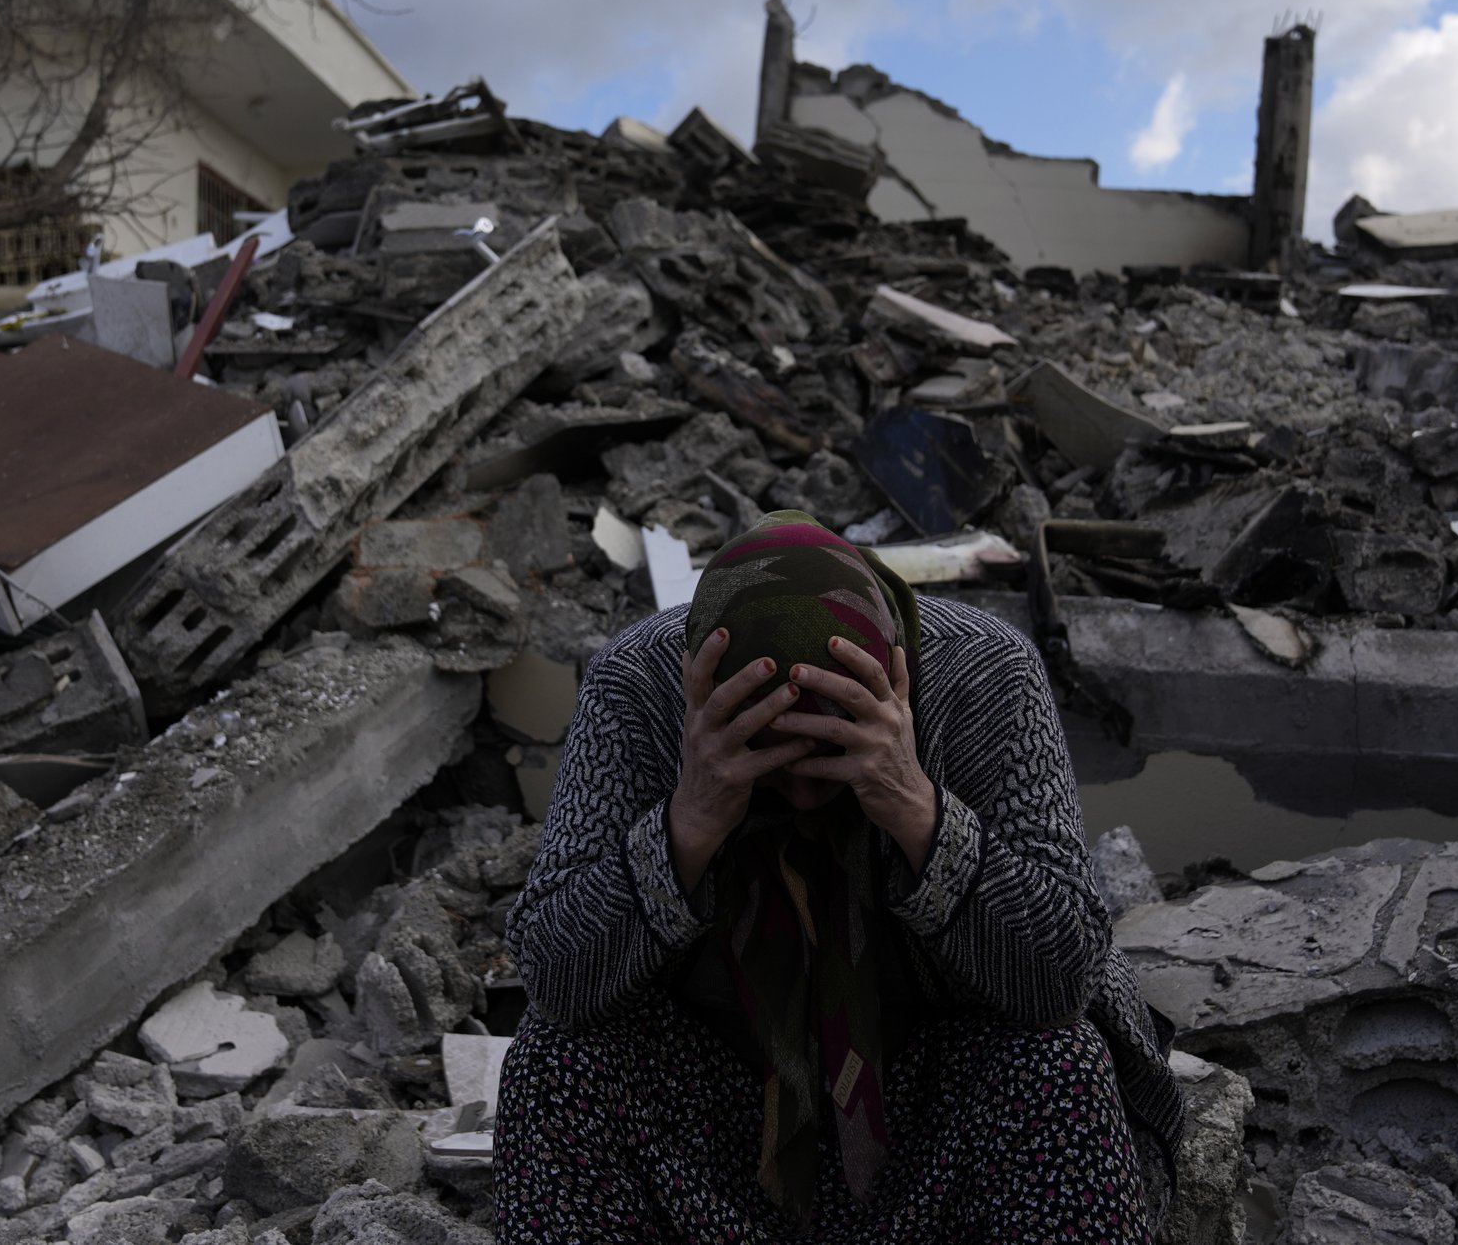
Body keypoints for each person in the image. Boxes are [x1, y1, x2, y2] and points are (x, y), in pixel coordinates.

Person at [497, 511, 1183, 1243]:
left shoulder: (986, 675)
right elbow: (554, 979)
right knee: (554, 1064)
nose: (799, 799)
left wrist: (915, 810)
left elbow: (1061, 977)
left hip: (933, 1092)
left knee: (1059, 1065)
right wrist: (689, 824)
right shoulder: (639, 686)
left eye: (826, 768)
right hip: (722, 1103)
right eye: (773, 767)